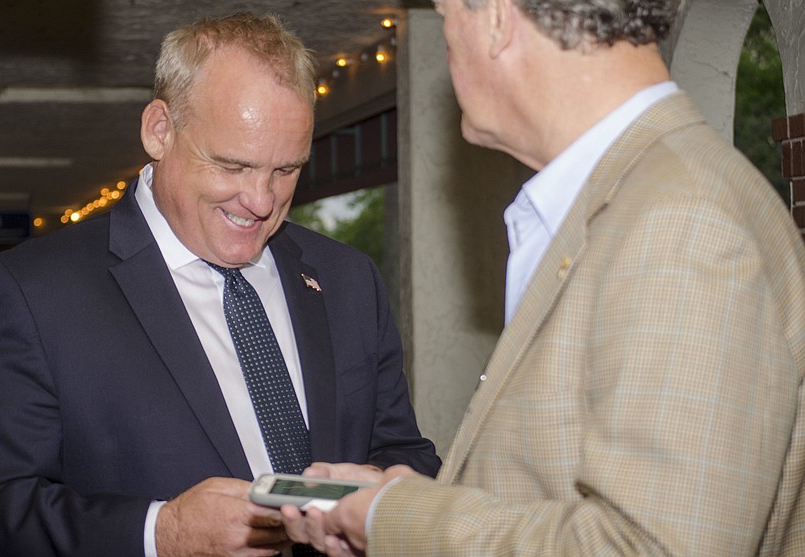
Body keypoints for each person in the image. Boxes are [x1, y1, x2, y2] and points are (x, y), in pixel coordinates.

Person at [283, 0, 805, 555]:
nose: (445, 38)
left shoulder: (680, 223)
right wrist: (404, 498)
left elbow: (648, 546)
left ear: (495, 17)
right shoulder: (634, 201)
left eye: (447, 11)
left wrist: (395, 517)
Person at [0, 11, 440, 557]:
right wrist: (165, 532)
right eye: (233, 166)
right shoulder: (34, 292)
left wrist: (367, 506)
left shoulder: (348, 278)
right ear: (160, 130)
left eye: (286, 170)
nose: (261, 201)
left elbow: (405, 452)